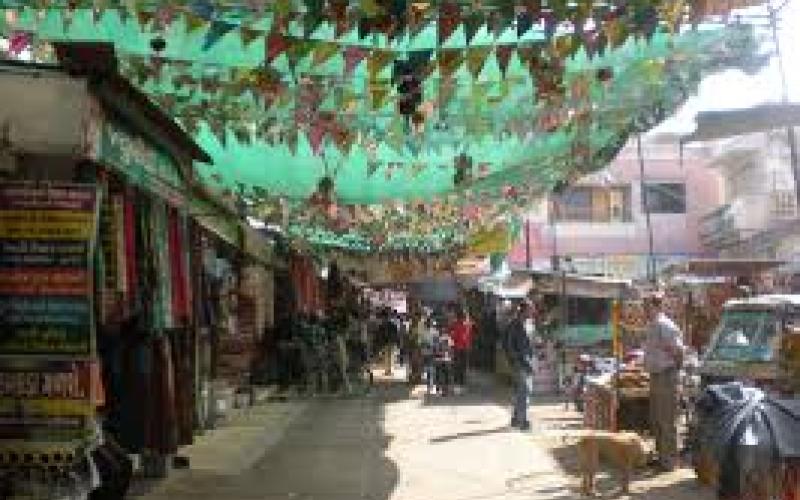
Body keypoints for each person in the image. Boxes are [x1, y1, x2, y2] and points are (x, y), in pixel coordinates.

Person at [643, 290, 685, 471]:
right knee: (657, 419)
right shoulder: (653, 324)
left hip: (666, 376)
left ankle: (668, 461)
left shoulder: (664, 324)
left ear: (655, 305)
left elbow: (678, 350)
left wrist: (674, 369)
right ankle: (662, 457)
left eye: (647, 305)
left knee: (666, 420)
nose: (645, 309)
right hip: (656, 376)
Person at [505, 301, 536, 430]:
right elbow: (508, 345)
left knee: (522, 392)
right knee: (524, 392)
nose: (532, 311)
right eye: (530, 309)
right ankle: (523, 421)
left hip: (528, 362)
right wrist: (516, 360)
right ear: (523, 311)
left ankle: (516, 418)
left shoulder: (529, 325)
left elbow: (530, 343)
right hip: (520, 363)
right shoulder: (514, 325)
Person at [448, 306, 473, 388]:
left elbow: (453, 336)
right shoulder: (467, 325)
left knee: (458, 364)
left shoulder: (456, 325)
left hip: (458, 347)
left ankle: (458, 380)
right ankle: (461, 380)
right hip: (465, 347)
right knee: (463, 364)